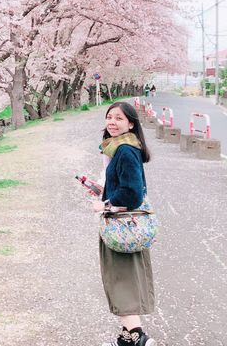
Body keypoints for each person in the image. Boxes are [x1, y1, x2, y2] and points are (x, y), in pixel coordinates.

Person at [94, 102, 156, 346]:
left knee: (121, 280)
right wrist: (102, 190)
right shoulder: (119, 148)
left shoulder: (125, 150)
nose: (112, 122)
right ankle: (126, 338)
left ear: (131, 124)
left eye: (118, 118)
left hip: (123, 228)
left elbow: (132, 194)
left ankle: (138, 337)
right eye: (109, 117)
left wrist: (105, 205)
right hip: (127, 226)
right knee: (121, 279)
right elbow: (126, 185)